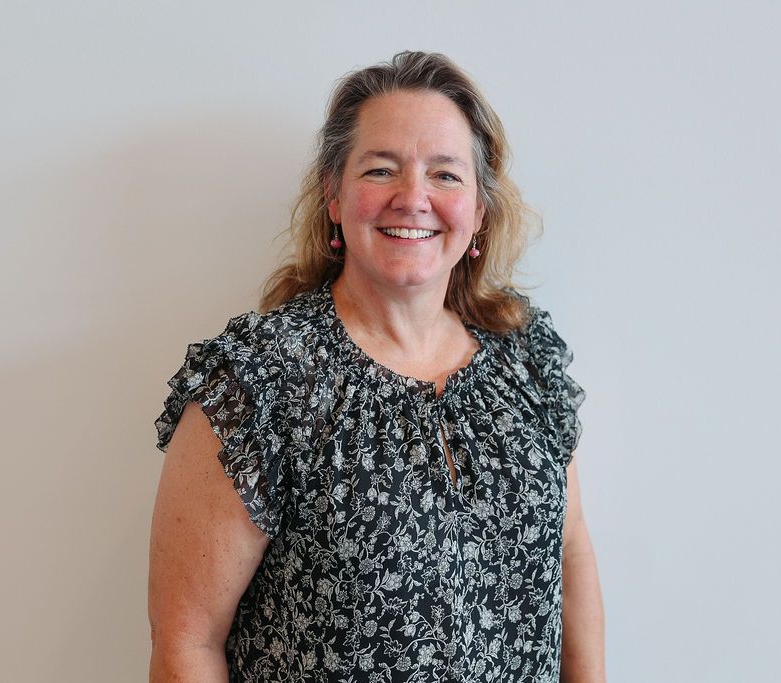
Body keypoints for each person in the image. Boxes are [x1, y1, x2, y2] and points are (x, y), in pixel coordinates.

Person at [149, 51, 605, 682]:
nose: (412, 198)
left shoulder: (527, 362)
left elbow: (571, 560)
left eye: (445, 175)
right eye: (381, 169)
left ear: (479, 211)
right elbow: (187, 644)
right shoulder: (258, 381)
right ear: (334, 196)